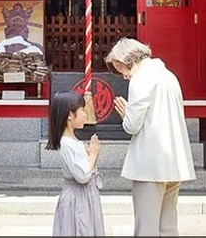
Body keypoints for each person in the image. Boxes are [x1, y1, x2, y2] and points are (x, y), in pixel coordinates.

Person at [106, 38, 195, 236]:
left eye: (120, 68)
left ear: (125, 61)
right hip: (173, 161)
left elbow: (132, 125)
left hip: (150, 164)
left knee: (146, 227)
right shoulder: (168, 76)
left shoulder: (141, 79)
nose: (124, 75)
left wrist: (125, 113)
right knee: (168, 227)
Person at [46, 91, 105, 236]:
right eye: (82, 110)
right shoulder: (67, 144)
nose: (86, 114)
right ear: (70, 116)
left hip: (83, 196)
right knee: (80, 229)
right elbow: (82, 176)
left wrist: (91, 156)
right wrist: (93, 154)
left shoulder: (71, 142)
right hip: (79, 198)